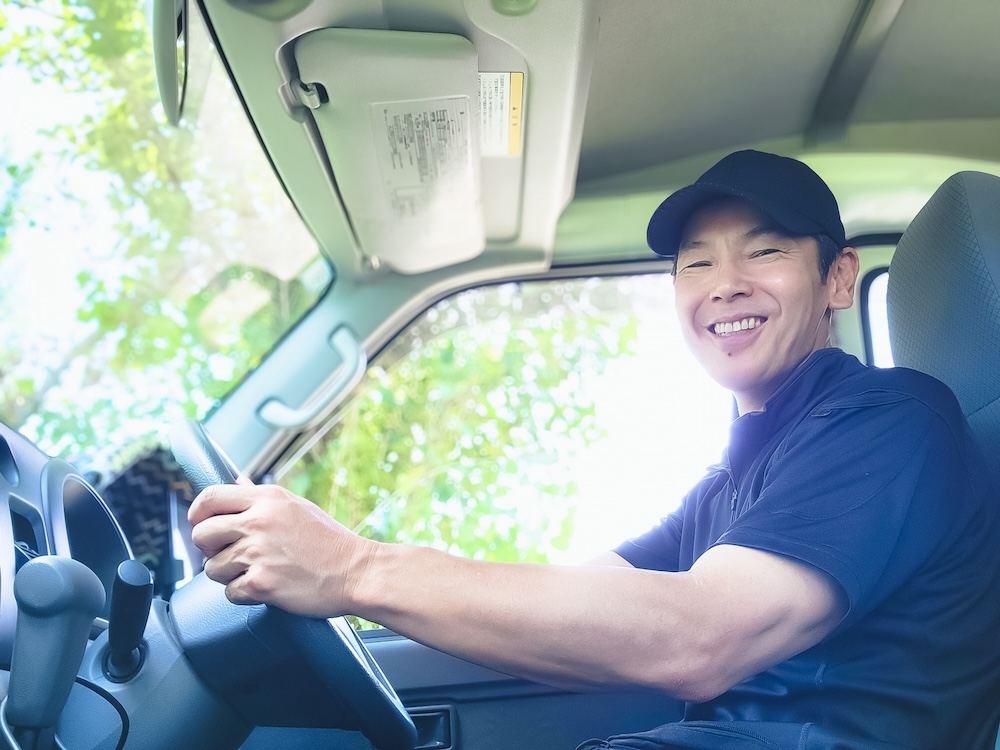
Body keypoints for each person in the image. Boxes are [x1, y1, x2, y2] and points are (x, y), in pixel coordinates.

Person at [188, 150, 1000, 749]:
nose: (724, 283)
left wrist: (355, 569)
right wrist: (356, 583)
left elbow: (698, 635)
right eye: (695, 262)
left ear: (839, 278)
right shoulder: (733, 482)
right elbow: (584, 603)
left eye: (765, 251)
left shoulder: (895, 424)